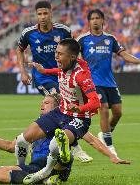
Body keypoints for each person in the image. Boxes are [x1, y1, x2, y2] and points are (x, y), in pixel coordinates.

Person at [0, 89, 130, 184]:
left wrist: (112, 156)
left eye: (47, 102)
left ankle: (53, 173)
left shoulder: (66, 122)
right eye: (42, 102)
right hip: (36, 167)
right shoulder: (35, 128)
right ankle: (41, 179)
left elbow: (93, 141)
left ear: (56, 107)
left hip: (58, 165)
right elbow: (10, 146)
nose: (42, 104)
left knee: (61, 149)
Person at [13, 38, 103, 184]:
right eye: (56, 52)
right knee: (22, 140)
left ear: (72, 57)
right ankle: (22, 168)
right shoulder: (64, 66)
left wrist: (80, 108)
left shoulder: (81, 75)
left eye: (60, 54)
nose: (56, 56)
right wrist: (44, 71)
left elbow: (96, 102)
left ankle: (46, 172)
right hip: (61, 112)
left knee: (55, 144)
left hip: (77, 117)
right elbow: (59, 71)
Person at [17, 0, 92, 163]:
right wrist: (22, 71)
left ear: (51, 13)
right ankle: (73, 145)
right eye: (39, 14)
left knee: (62, 109)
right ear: (36, 15)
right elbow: (20, 49)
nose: (42, 17)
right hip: (43, 76)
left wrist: (81, 71)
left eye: (45, 13)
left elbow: (74, 49)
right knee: (59, 102)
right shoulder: (28, 33)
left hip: (62, 75)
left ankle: (50, 139)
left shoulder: (63, 30)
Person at [77, 9, 140, 156]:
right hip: (93, 82)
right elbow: (75, 57)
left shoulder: (110, 39)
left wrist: (138, 60)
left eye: (98, 18)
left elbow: (123, 54)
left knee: (117, 112)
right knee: (103, 107)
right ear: (89, 22)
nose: (95, 21)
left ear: (103, 21)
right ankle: (109, 146)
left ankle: (105, 133)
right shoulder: (82, 40)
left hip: (109, 82)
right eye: (92, 18)